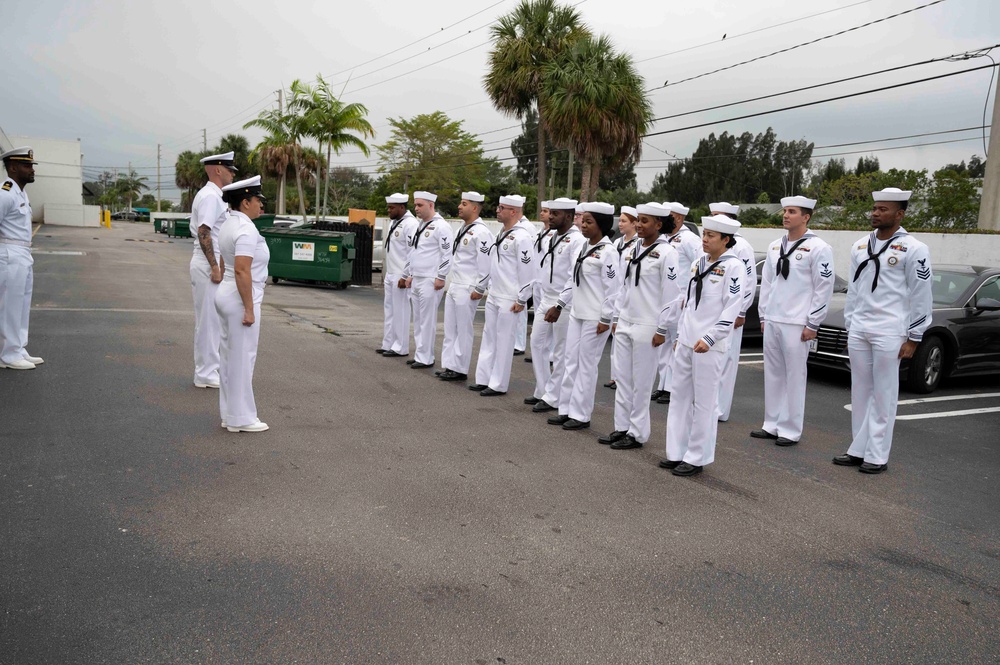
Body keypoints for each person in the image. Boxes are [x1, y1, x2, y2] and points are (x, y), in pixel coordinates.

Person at [834, 187, 932, 474]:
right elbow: (854, 290)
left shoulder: (914, 248)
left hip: (890, 329)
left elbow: (921, 294)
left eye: (883, 209)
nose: (875, 213)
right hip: (860, 328)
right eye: (875, 208)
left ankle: (877, 456)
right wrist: (850, 326)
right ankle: (858, 449)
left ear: (899, 214)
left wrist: (915, 336)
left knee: (884, 394)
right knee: (860, 392)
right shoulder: (860, 245)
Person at [661, 214, 746, 476]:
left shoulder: (733, 267)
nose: (704, 239)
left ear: (726, 239)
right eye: (705, 234)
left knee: (705, 403)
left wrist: (710, 337)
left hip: (709, 344)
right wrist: (679, 336)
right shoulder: (698, 263)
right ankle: (676, 452)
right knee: (679, 398)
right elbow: (688, 302)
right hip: (687, 340)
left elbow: (732, 308)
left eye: (710, 235)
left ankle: (696, 457)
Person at [752, 196, 835, 446]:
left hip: (798, 321)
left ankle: (789, 429)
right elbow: (768, 283)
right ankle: (771, 423)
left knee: (795, 376)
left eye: (792, 212)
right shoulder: (775, 246)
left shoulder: (819, 247)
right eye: (785, 211)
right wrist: (764, 314)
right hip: (773, 318)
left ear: (806, 217)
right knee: (773, 374)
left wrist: (813, 322)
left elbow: (823, 287)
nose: (786, 215)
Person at [600, 203, 680, 451]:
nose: (639, 225)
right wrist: (616, 317)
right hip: (626, 320)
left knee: (642, 384)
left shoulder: (667, 253)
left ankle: (637, 433)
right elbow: (623, 286)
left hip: (648, 324)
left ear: (659, 224)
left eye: (645, 221)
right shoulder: (633, 247)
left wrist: (662, 328)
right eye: (638, 220)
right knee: (622, 379)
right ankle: (622, 427)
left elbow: (672, 295)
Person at [215, 176, 271, 433]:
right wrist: (249, 308)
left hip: (227, 292)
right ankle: (242, 418)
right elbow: (241, 270)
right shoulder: (246, 229)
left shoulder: (229, 223)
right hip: (241, 297)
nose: (261, 205)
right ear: (246, 202)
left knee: (229, 357)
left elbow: (226, 262)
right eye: (258, 200)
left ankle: (230, 414)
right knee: (242, 358)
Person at [561, 202, 620, 430]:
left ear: (601, 225)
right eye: (582, 221)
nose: (583, 225)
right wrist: (560, 303)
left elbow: (613, 289)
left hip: (595, 317)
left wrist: (606, 318)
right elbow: (572, 278)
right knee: (570, 361)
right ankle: (566, 408)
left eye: (589, 222)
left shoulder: (609, 252)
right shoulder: (583, 247)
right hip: (577, 312)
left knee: (586, 365)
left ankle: (580, 415)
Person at [469, 194, 535, 396]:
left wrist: (522, 298)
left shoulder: (522, 237)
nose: (497, 211)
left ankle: (498, 384)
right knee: (489, 338)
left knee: (504, 342)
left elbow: (528, 272)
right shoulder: (502, 233)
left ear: (513, 211)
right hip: (495, 293)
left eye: (501, 208)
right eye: (498, 207)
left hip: (509, 296)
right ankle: (483, 378)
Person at [527, 198, 586, 422]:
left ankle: (553, 396)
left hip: (564, 302)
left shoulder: (576, 240)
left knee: (561, 351)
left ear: (569, 216)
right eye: (550, 213)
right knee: (536, 343)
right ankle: (544, 390)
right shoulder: (552, 236)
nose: (550, 217)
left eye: (555, 214)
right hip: (546, 297)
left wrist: (560, 304)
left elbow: (573, 276)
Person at [190, 151, 237, 389]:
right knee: (208, 321)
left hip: (212, 263)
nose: (232, 174)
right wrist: (215, 266)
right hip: (208, 264)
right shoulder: (210, 196)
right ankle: (205, 373)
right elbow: (204, 231)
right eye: (229, 169)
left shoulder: (216, 196)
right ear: (218, 170)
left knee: (214, 321)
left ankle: (210, 369)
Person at [438, 191, 494, 381]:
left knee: (463, 330)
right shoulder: (462, 229)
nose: (459, 207)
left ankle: (459, 368)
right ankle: (449, 364)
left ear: (475, 207)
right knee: (450, 329)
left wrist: (480, 288)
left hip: (468, 287)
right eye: (460, 203)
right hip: (455, 284)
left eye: (464, 204)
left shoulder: (482, 232)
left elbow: (486, 262)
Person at [709, 202, 755, 422]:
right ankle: (708, 404)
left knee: (726, 361)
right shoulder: (709, 243)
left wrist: (741, 311)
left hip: (731, 312)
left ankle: (720, 410)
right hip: (711, 312)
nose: (712, 219)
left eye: (716, 215)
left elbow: (748, 281)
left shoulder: (742, 246)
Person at [651, 201, 701, 404]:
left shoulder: (689, 239)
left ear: (679, 218)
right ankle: (663, 384)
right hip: (664, 298)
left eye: (669, 215)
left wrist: (689, 296)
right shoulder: (663, 238)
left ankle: (673, 388)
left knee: (676, 344)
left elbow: (699, 266)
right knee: (663, 344)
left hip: (680, 299)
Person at [399, 191, 454, 370]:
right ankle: (420, 354)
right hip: (417, 278)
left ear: (431, 205)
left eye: (420, 205)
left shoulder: (441, 226)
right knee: (418, 319)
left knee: (427, 320)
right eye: (415, 205)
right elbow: (414, 252)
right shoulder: (421, 225)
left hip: (430, 279)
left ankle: (426, 357)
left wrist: (441, 276)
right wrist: (410, 274)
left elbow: (447, 253)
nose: (416, 208)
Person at [0, 147, 41, 370]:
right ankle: (7, 355)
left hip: (23, 253)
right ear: (13, 168)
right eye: (27, 166)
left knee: (22, 304)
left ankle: (18, 348)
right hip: (9, 254)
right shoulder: (5, 193)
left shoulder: (21, 193)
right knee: (9, 306)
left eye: (32, 165)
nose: (32, 169)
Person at [379, 193, 419, 358]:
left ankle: (400, 347)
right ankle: (388, 343)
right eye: (388, 207)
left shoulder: (411, 224)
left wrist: (406, 275)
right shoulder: (395, 222)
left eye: (392, 207)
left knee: (401, 311)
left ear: (402, 207)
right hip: (391, 273)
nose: (389, 210)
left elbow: (412, 252)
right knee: (389, 310)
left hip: (401, 274)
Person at [604, 206, 639, 390]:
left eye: (624, 221)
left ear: (634, 223)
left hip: (627, 294)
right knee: (615, 336)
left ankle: (624, 377)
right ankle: (615, 376)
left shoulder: (638, 244)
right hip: (615, 293)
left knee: (624, 337)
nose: (620, 224)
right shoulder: (617, 242)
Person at [522, 202, 553, 365]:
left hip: (547, 282)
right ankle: (539, 352)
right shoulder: (540, 232)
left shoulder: (554, 234)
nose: (542, 213)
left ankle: (550, 354)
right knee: (539, 319)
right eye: (541, 210)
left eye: (545, 211)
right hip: (537, 280)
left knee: (550, 321)